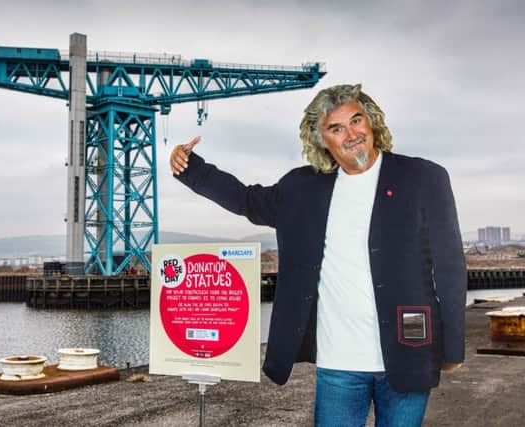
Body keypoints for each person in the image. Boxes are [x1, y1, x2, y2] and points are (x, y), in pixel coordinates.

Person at [169, 84, 466, 426]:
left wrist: (453, 345)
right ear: (321, 139)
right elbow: (247, 200)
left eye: (357, 120)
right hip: (338, 360)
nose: (351, 134)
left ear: (372, 122)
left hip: (409, 350)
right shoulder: (302, 188)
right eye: (336, 128)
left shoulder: (424, 178)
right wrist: (191, 168)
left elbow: (450, 266)